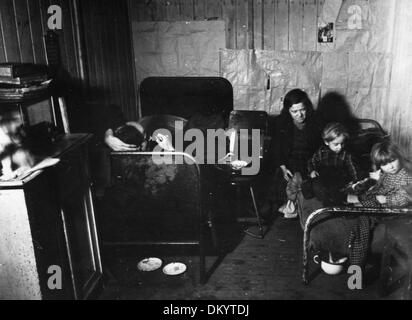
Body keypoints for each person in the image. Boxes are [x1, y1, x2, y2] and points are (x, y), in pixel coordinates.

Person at [261, 89, 322, 217]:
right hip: (288, 163)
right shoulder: (281, 123)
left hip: (309, 162)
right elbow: (276, 148)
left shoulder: (316, 123)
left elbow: (320, 150)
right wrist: (283, 167)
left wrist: (313, 168)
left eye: (302, 110)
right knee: (277, 187)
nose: (299, 115)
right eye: (294, 111)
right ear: (288, 111)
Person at [348, 140, 412, 208]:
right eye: (384, 164)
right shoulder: (386, 174)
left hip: (393, 206)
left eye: (392, 161)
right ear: (380, 166)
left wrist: (385, 199)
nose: (390, 167)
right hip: (379, 198)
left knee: (359, 207)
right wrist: (370, 191)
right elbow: (379, 187)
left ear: (399, 157)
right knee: (353, 199)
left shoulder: (407, 174)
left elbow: (407, 198)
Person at [306, 122, 358, 205]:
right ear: (326, 142)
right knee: (312, 185)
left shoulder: (346, 154)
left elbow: (353, 170)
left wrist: (354, 182)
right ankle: (328, 197)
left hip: (339, 180)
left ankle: (336, 200)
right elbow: (311, 162)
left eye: (342, 143)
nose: (340, 147)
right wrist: (312, 171)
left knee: (337, 192)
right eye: (336, 144)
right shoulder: (321, 152)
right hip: (323, 179)